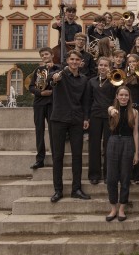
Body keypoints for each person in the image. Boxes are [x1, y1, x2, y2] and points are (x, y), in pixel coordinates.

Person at [48, 50, 91, 203]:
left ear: (81, 62)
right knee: (57, 156)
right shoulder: (60, 74)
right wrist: (54, 77)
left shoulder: (84, 79)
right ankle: (58, 190)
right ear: (67, 61)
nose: (74, 62)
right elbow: (51, 80)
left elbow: (86, 101)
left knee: (77, 156)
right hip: (59, 119)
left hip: (77, 120)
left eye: (77, 60)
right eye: (71, 59)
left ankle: (76, 189)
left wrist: (86, 118)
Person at [106, 86, 139, 221]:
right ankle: (113, 208)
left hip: (128, 142)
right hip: (113, 142)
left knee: (125, 177)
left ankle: (122, 209)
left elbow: (136, 132)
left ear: (129, 97)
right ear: (117, 96)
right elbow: (109, 110)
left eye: (126, 95)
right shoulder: (112, 110)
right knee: (111, 178)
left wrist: (137, 152)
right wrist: (112, 110)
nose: (124, 97)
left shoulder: (135, 112)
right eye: (121, 95)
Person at [84, 57, 116, 184]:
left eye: (105, 65)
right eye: (101, 65)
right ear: (97, 66)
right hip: (95, 115)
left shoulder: (114, 81)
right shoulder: (91, 81)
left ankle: (109, 174)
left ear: (110, 67)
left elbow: (117, 98)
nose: (103, 67)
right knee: (94, 145)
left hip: (109, 116)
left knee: (109, 146)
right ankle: (94, 174)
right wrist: (86, 118)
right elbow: (87, 101)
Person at [28, 47, 60, 170]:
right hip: (39, 103)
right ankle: (40, 159)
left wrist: (52, 70)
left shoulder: (58, 68)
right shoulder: (38, 70)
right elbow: (31, 87)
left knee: (53, 132)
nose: (44, 57)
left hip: (52, 103)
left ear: (52, 55)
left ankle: (55, 158)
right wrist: (41, 93)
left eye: (46, 54)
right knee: (39, 131)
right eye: (42, 55)